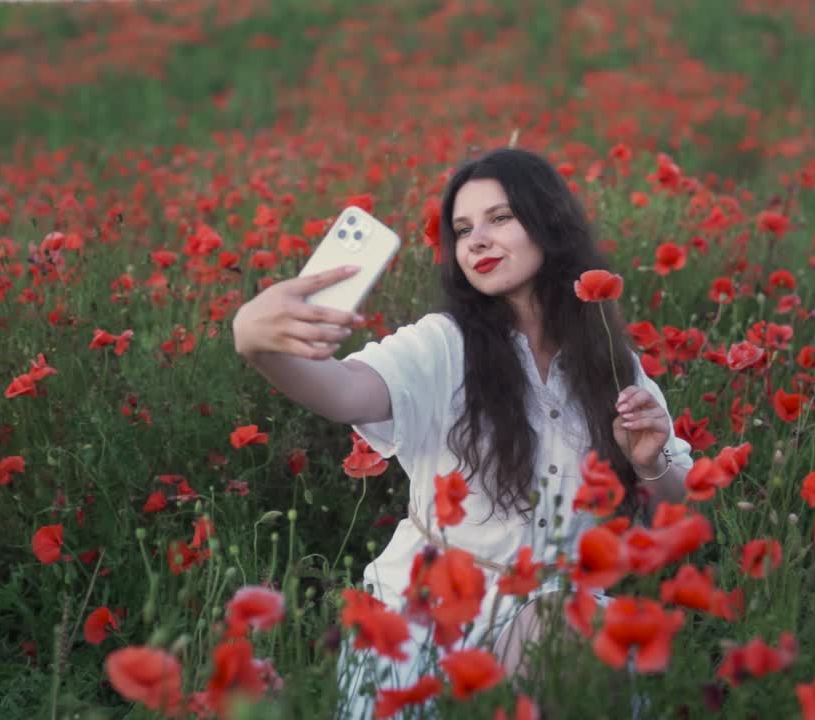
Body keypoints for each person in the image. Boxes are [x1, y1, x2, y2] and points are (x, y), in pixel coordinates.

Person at [232, 147, 694, 718]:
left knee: (560, 629)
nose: (476, 240)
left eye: (500, 218)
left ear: (549, 221)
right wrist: (258, 344)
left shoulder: (609, 357)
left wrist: (649, 463)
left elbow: (681, 509)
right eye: (463, 229)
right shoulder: (442, 343)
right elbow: (345, 390)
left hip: (552, 611)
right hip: (430, 613)